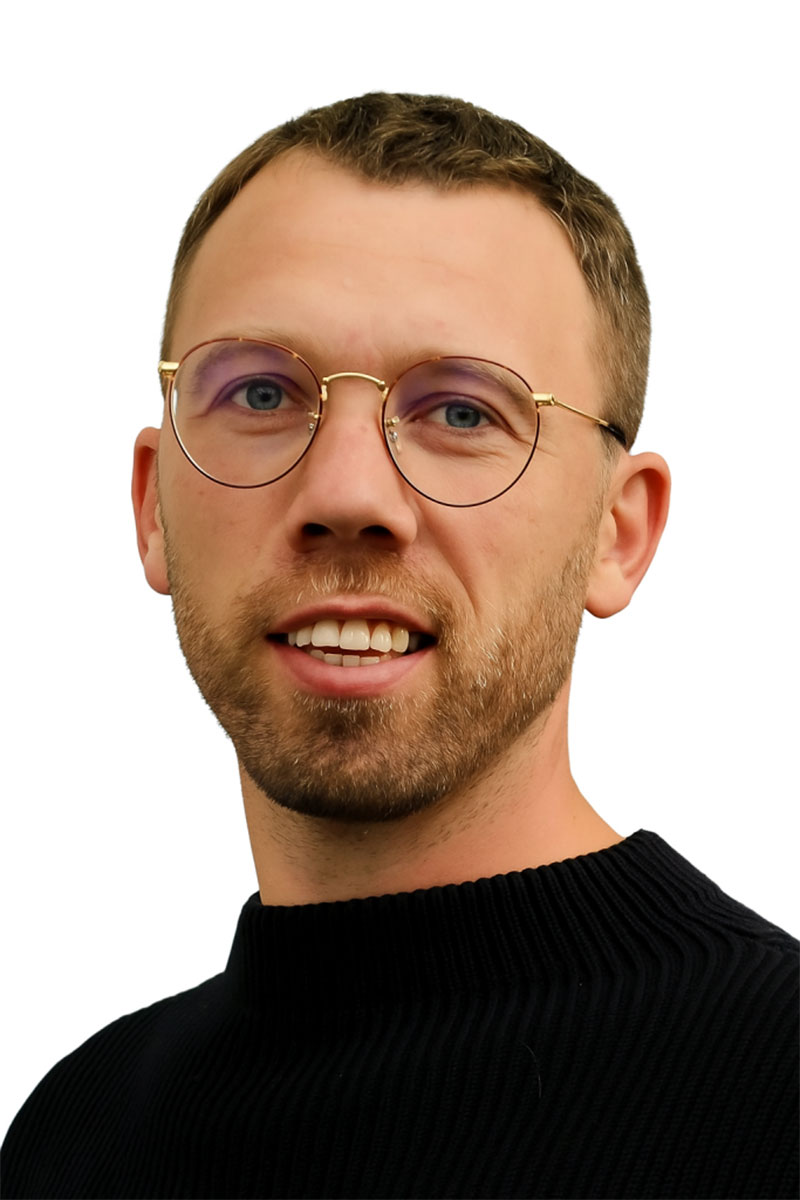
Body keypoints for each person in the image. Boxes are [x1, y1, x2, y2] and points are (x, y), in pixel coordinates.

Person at [2, 92, 796, 1200]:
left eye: (463, 413)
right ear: (151, 508)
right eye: (262, 393)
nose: (346, 494)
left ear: (617, 536)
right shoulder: (73, 1132)